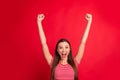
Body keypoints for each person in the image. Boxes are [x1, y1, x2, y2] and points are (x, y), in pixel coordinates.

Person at [37, 13, 92, 80]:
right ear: (57, 50)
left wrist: (89, 22)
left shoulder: (75, 62)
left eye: (66, 47)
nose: (64, 50)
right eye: (60, 47)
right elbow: (43, 43)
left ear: (69, 49)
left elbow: (83, 42)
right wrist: (39, 22)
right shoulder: (53, 63)